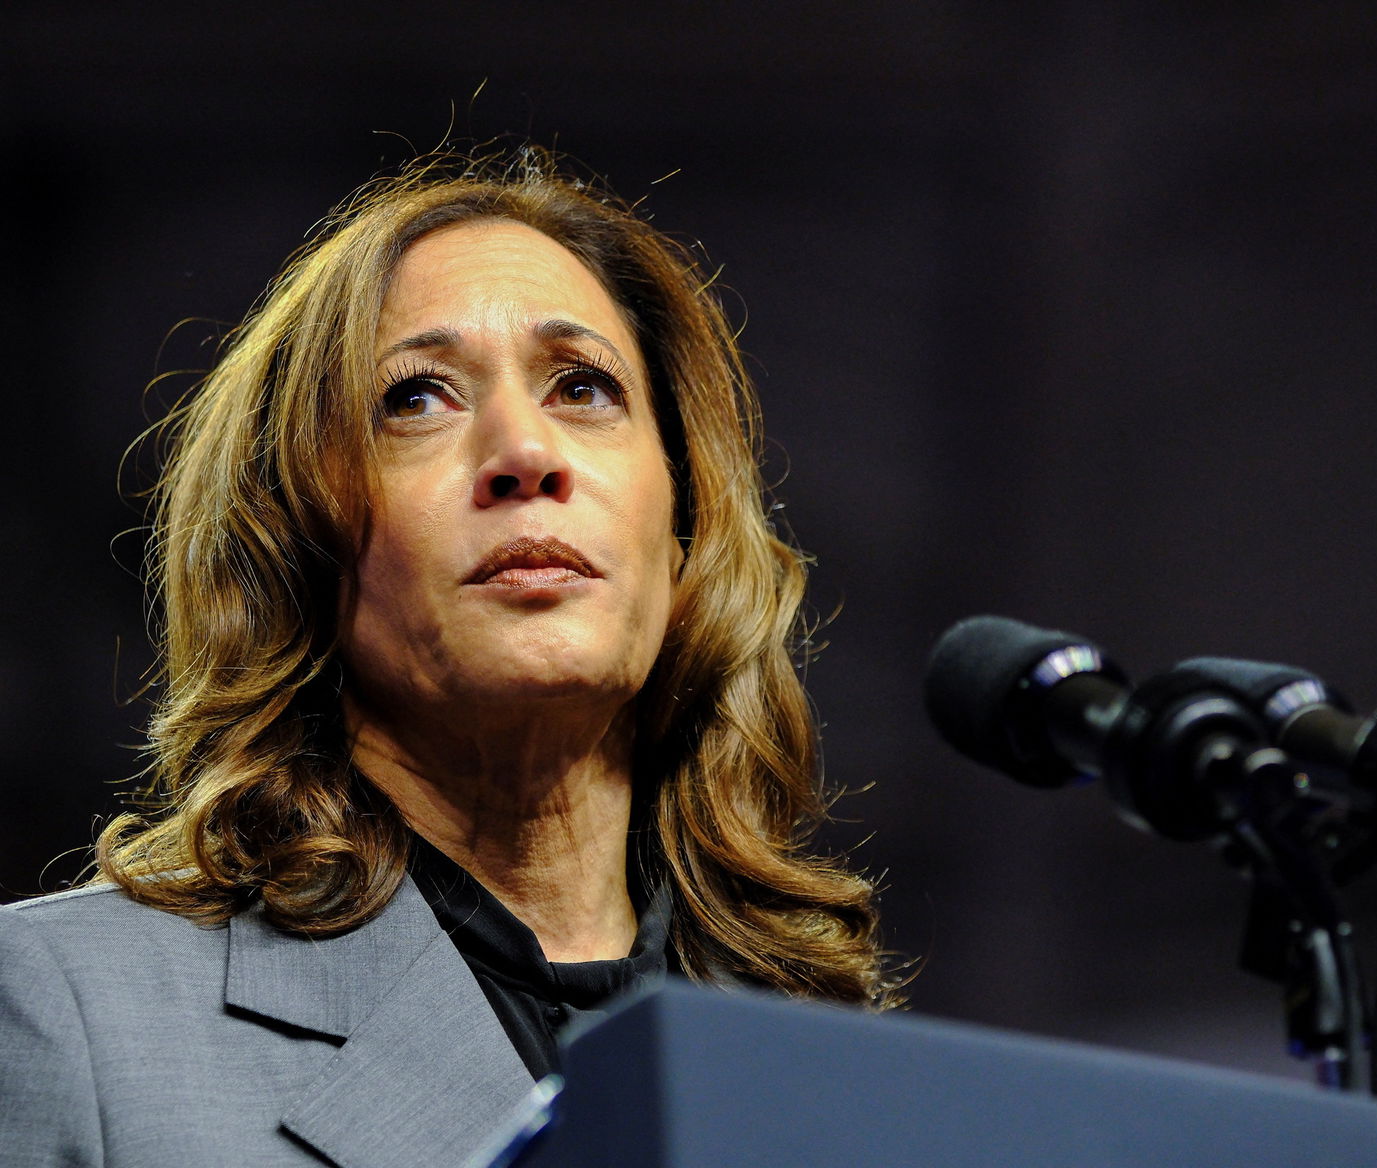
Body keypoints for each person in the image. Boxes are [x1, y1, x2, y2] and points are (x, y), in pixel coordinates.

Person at [0, 146, 896, 1167]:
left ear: (682, 524)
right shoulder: (71, 1013)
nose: (525, 453)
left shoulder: (848, 1075)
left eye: (583, 387)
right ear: (299, 546)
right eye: (416, 398)